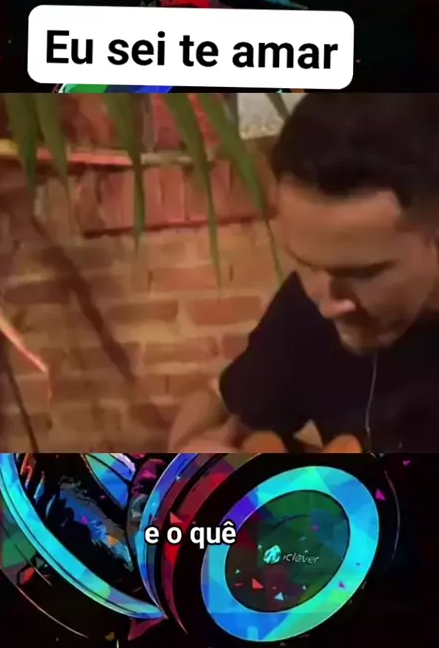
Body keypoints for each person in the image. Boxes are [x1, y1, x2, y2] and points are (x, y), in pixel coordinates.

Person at [169, 93, 439, 454]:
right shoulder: (307, 303)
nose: (327, 304)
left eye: (362, 274)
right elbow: (217, 399)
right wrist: (189, 451)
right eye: (307, 264)